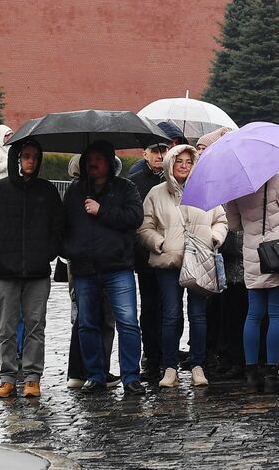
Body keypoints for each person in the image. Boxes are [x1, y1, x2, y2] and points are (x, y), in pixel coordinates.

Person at [0, 137, 63, 399]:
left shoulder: (46, 191)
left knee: (36, 326)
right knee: (6, 328)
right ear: (17, 158)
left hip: (37, 273)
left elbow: (58, 228)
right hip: (5, 273)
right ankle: (8, 377)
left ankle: (33, 377)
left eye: (35, 157)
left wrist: (47, 253)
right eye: (26, 156)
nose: (31, 161)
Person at [63, 141, 151, 395]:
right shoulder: (75, 191)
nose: (93, 163)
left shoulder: (126, 188)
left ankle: (131, 376)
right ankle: (95, 375)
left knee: (128, 323)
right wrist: (69, 250)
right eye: (89, 158)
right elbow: (63, 224)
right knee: (87, 324)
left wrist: (102, 210)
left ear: (109, 162)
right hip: (84, 268)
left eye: (99, 158)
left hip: (117, 267)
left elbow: (134, 218)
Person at [138, 143, 228, 389]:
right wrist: (160, 242)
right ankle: (169, 368)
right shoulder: (156, 194)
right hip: (169, 262)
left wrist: (214, 237)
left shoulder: (204, 191)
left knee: (198, 314)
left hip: (199, 260)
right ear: (170, 164)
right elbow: (145, 227)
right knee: (171, 314)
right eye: (180, 161)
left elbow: (221, 220)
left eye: (189, 162)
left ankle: (198, 364)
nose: (184, 166)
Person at [223, 167, 279, 394]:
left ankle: (252, 373)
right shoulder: (273, 178)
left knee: (253, 314)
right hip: (277, 252)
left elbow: (233, 225)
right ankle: (272, 375)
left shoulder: (235, 185)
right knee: (275, 314)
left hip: (253, 252)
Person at [128, 142, 169, 381]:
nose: (159, 156)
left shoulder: (171, 179)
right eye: (155, 151)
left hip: (171, 253)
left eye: (163, 151)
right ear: (144, 154)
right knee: (151, 307)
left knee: (171, 308)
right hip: (145, 255)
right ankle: (152, 356)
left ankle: (167, 354)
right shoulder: (136, 180)